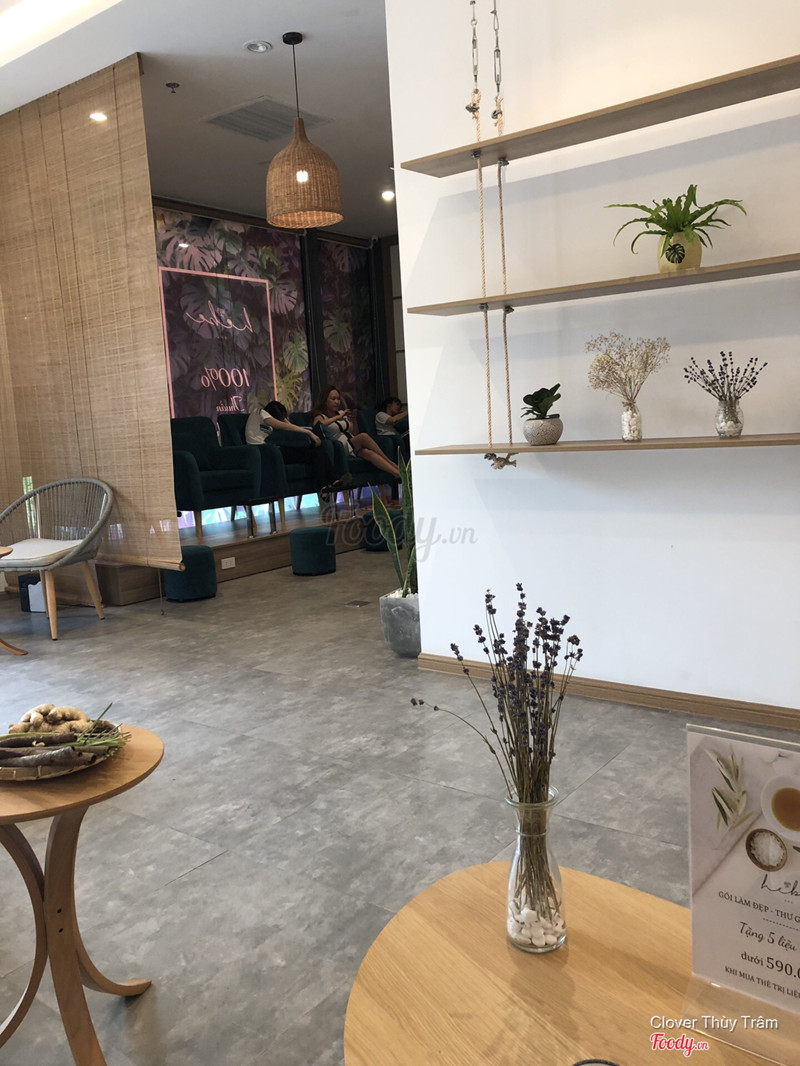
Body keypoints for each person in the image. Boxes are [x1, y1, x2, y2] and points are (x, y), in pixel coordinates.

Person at [245, 399, 347, 497]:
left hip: (273, 451)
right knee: (315, 454)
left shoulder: (265, 420)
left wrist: (287, 421)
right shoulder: (261, 413)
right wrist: (309, 433)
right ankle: (324, 485)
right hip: (264, 452)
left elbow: (288, 426)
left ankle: (331, 482)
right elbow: (285, 426)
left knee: (319, 453)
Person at [310, 386, 400, 481]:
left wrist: (353, 420)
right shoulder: (320, 416)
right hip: (340, 447)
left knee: (368, 453)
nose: (337, 402)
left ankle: (397, 473)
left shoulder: (341, 413)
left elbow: (354, 432)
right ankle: (393, 464)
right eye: (333, 399)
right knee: (363, 436)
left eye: (338, 399)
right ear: (324, 400)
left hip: (352, 444)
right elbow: (318, 425)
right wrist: (337, 418)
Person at [375, 395, 410, 462]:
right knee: (397, 438)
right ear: (389, 404)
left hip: (395, 436)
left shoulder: (394, 416)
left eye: (400, 406)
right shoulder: (380, 414)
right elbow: (392, 420)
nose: (399, 407)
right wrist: (408, 411)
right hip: (386, 436)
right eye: (397, 404)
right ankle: (403, 463)